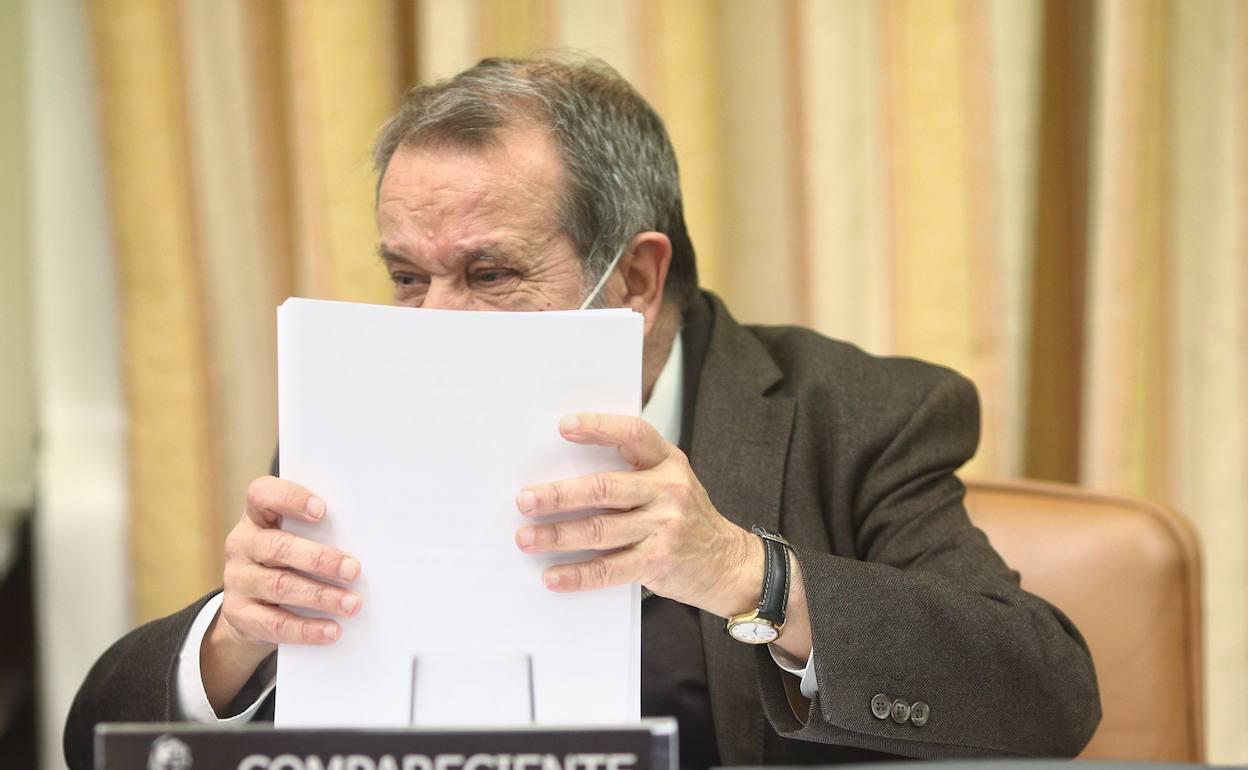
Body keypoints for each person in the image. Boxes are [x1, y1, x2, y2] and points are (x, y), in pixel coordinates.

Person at [63, 54, 1099, 770]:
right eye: (408, 278)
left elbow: (1047, 695)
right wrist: (234, 641)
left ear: (636, 278)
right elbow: (92, 736)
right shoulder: (365, 408)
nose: (436, 324)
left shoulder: (859, 416)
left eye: (489, 275)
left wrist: (751, 573)